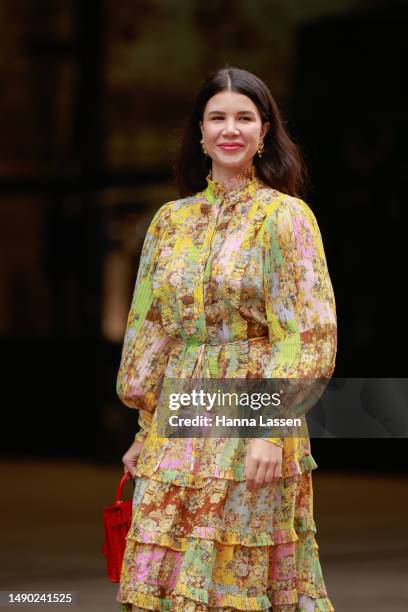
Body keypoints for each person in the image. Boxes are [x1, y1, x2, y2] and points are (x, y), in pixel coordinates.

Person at [116, 66, 337, 611]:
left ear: (265, 132)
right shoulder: (171, 222)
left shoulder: (286, 218)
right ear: (200, 130)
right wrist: (145, 426)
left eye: (245, 118)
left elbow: (309, 332)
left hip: (250, 420)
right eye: (218, 117)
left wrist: (270, 429)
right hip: (180, 423)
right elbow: (152, 328)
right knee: (161, 576)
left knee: (234, 583)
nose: (230, 129)